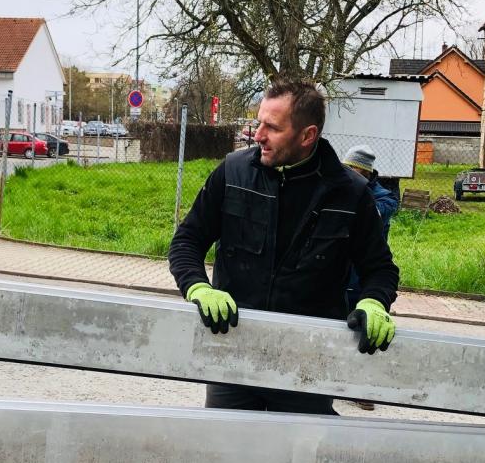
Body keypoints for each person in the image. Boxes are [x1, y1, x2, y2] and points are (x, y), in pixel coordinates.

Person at [168, 77, 400, 414]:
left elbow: (380, 269)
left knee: (299, 448)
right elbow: (187, 240)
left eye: (272, 127)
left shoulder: (350, 193)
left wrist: (374, 301)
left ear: (307, 135)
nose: (258, 135)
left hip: (308, 361)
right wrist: (197, 287)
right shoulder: (233, 172)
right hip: (232, 353)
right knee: (225, 445)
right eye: (259, 122)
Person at [341, 144, 399, 308]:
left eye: (351, 167)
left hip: (360, 276)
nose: (346, 172)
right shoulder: (342, 189)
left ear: (365, 171)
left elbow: (365, 216)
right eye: (345, 167)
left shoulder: (385, 199)